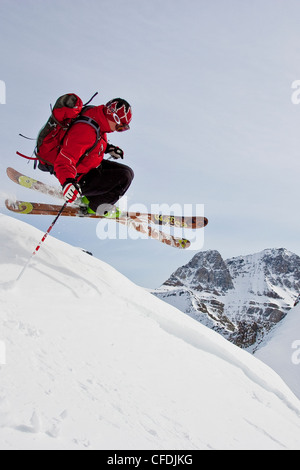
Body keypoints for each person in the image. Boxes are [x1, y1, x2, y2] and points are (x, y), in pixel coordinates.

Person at [38, 95, 134, 217]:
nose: (118, 130)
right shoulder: (86, 130)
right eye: (120, 126)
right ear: (112, 116)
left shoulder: (97, 117)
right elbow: (65, 159)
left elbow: (90, 145)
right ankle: (95, 206)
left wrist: (109, 148)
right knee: (124, 178)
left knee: (127, 172)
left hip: (88, 166)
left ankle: (96, 201)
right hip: (76, 177)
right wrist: (68, 182)